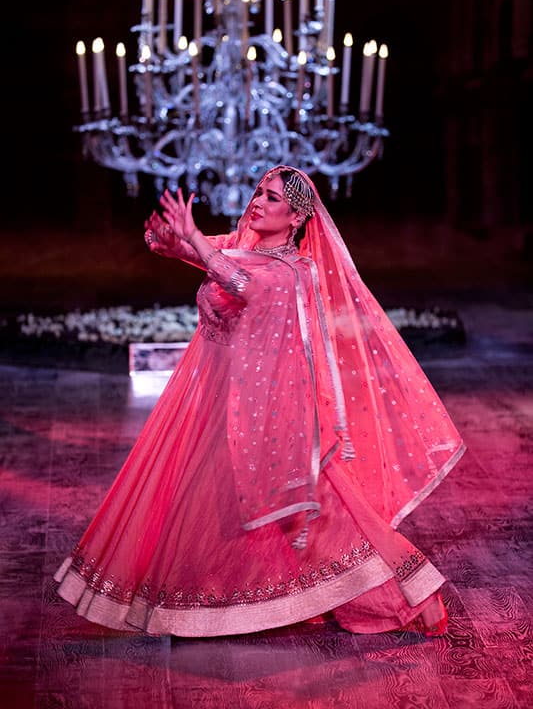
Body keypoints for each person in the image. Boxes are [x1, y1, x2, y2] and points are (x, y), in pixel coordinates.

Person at [54, 165, 466, 637]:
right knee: (242, 511)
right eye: (258, 192)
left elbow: (240, 281)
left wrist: (197, 244)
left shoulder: (293, 272)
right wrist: (172, 242)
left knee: (322, 517)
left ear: (296, 218)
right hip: (216, 398)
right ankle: (255, 595)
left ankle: (398, 596)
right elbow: (217, 257)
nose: (257, 202)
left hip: (265, 408)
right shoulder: (246, 246)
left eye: (271, 199)